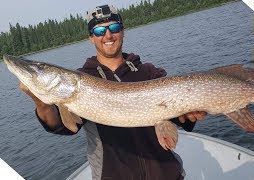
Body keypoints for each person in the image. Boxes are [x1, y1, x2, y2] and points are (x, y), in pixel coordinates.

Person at [20, 4, 207, 180]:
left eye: (114, 28)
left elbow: (177, 117)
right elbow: (65, 127)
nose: (108, 35)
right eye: (100, 31)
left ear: (122, 31)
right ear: (91, 37)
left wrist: (188, 116)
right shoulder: (83, 80)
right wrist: (41, 104)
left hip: (167, 174)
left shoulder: (149, 72)